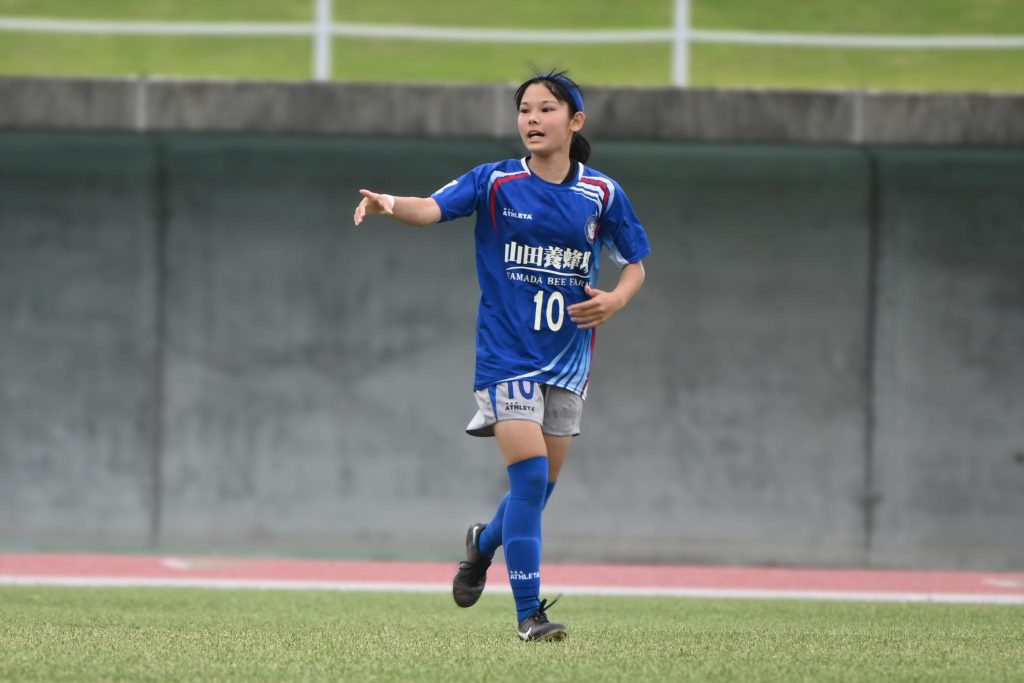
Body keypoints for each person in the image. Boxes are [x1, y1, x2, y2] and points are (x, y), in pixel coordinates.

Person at [353, 70, 650, 642]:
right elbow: (432, 208)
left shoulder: (602, 194)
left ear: (575, 122)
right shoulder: (495, 182)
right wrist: (390, 202)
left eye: (545, 109)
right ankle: (528, 616)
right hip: (506, 356)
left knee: (535, 494)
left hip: (568, 359)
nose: (532, 119)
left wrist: (614, 300)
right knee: (531, 479)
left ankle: (482, 544)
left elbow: (635, 263)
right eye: (524, 110)